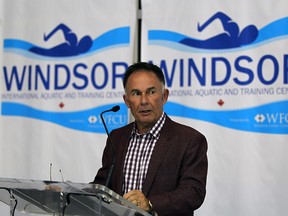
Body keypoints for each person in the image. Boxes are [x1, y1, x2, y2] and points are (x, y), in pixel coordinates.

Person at [92, 62, 208, 216]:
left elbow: (193, 192)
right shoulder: (117, 138)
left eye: (151, 92)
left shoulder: (190, 140)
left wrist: (151, 204)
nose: (144, 101)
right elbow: (103, 185)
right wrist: (68, 193)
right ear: (127, 101)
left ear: (164, 96)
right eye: (136, 93)